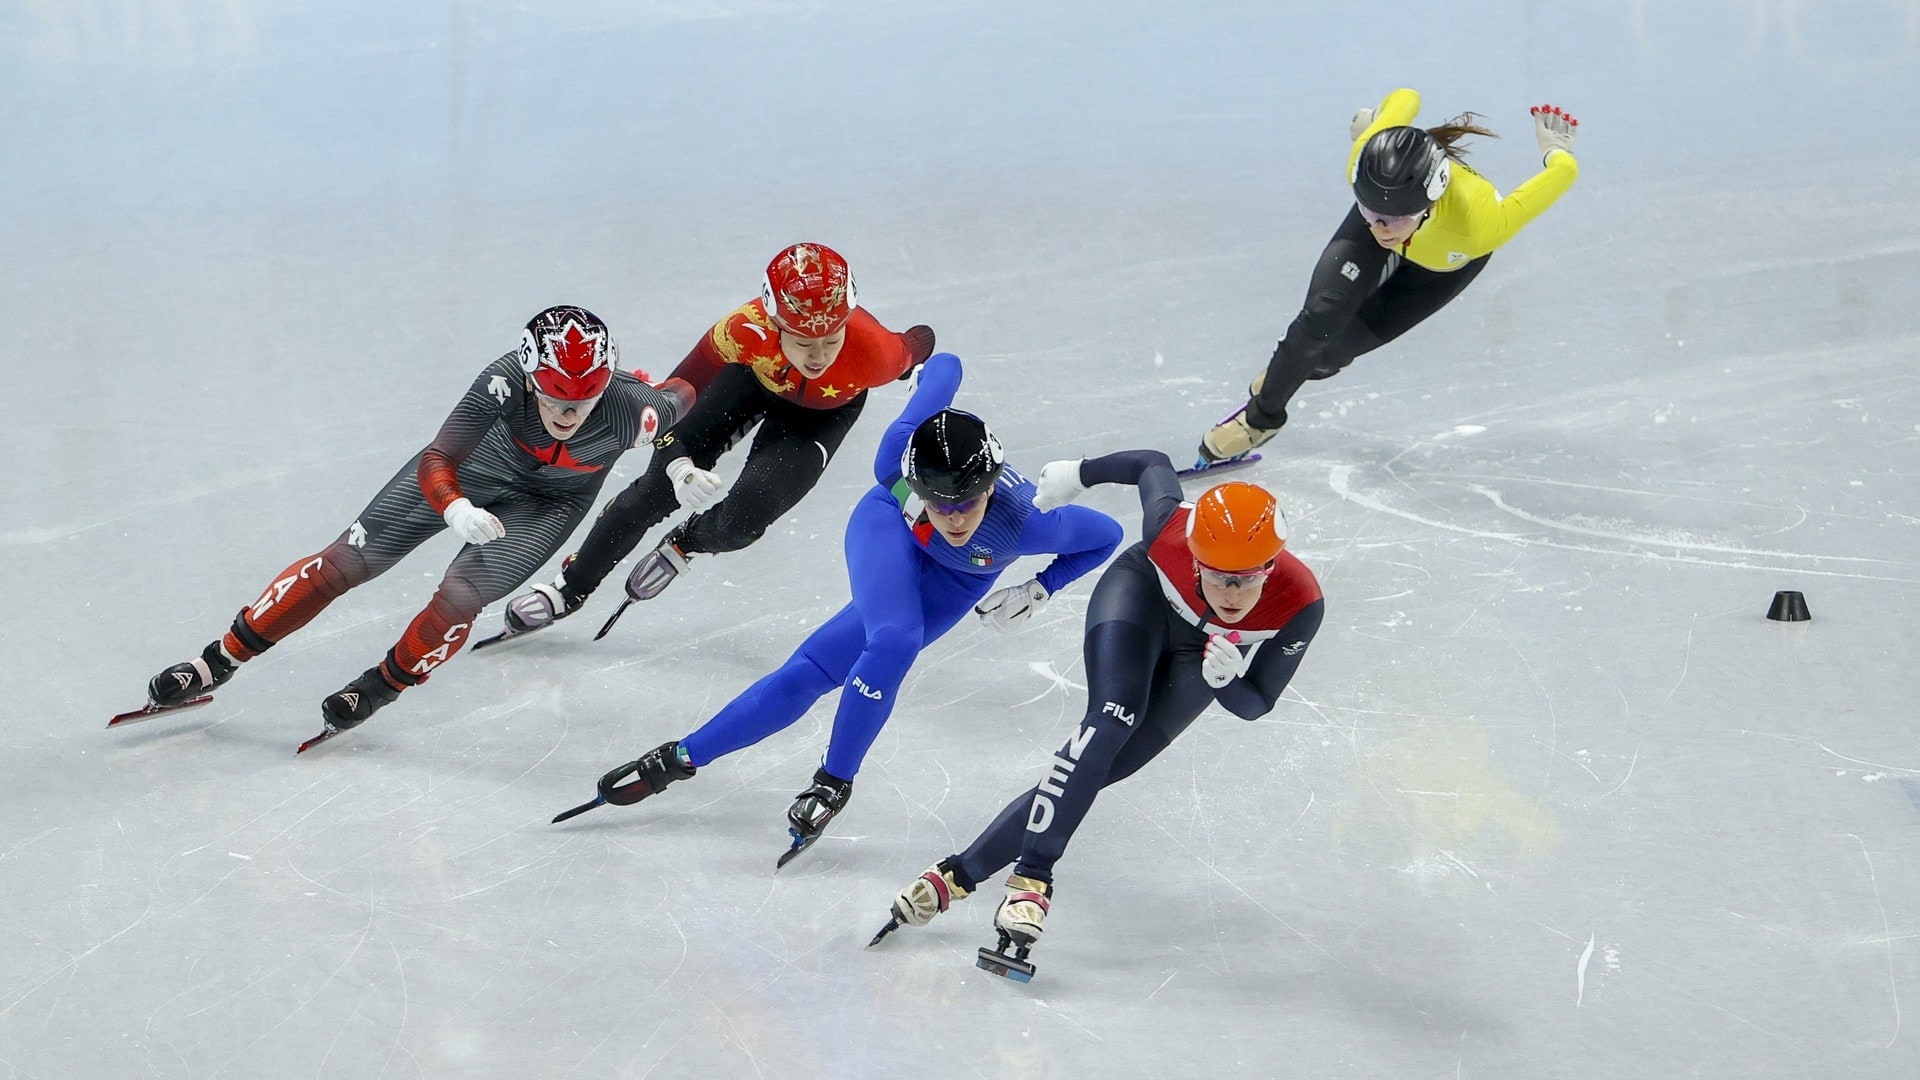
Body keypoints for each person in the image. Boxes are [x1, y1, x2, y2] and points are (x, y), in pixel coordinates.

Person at [557, 352, 1125, 866]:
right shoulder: (894, 466)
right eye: (939, 501)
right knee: (895, 639)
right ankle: (834, 783)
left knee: (814, 672)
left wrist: (1040, 588)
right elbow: (946, 364)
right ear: (916, 484)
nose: (954, 517)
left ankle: (677, 759)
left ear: (993, 486)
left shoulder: (1027, 523)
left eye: (968, 502)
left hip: (956, 585)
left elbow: (1108, 535)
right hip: (889, 533)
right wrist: (924, 372)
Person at [127, 306, 692, 749]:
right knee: (344, 563)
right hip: (472, 470)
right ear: (528, 377)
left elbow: (685, 394)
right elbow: (438, 459)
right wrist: (454, 508)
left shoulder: (632, 407)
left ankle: (381, 687)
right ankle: (219, 659)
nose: (567, 415)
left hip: (550, 505)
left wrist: (681, 462)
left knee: (459, 595)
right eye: (553, 397)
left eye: (584, 400)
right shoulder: (501, 381)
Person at [869, 451, 1323, 980]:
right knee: (1110, 719)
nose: (1230, 594)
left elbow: (1257, 702)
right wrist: (1079, 473)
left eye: (1246, 580)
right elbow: (1152, 465)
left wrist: (1228, 684)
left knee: (1105, 767)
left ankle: (957, 873)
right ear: (1195, 558)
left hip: (1208, 657)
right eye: (1218, 576)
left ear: (1271, 567)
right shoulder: (1168, 532)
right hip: (1142, 599)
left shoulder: (1300, 603)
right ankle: (1032, 880)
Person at [490, 243, 934, 642]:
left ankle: (685, 544)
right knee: (652, 493)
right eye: (802, 341)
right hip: (749, 379)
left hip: (821, 417)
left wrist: (916, 364)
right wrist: (678, 462)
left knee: (745, 520)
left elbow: (918, 342)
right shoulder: (742, 330)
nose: (818, 356)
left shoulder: (875, 352)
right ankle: (572, 587)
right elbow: (665, 401)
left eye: (831, 340)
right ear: (774, 321)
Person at [1198, 88, 1581, 466]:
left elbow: (1564, 174)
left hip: (1441, 264)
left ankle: (1301, 366)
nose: (1383, 229)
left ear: (1430, 201)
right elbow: (1407, 96)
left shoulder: (1480, 225)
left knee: (1329, 354)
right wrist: (1376, 120)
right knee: (1318, 319)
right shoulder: (1362, 164)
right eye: (1369, 212)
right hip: (1401, 219)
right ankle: (1259, 421)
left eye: (1397, 219)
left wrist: (1555, 150)